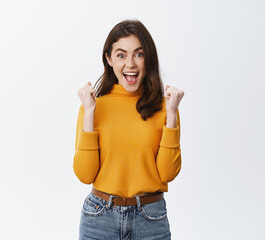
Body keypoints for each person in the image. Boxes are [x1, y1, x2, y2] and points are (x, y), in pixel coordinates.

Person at [73, 19, 184, 239]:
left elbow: (167, 173)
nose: (130, 64)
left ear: (148, 59)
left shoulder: (164, 108)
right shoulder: (93, 107)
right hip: (99, 219)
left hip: (150, 220)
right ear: (109, 59)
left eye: (139, 54)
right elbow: (85, 175)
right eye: (121, 55)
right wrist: (89, 112)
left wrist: (171, 114)